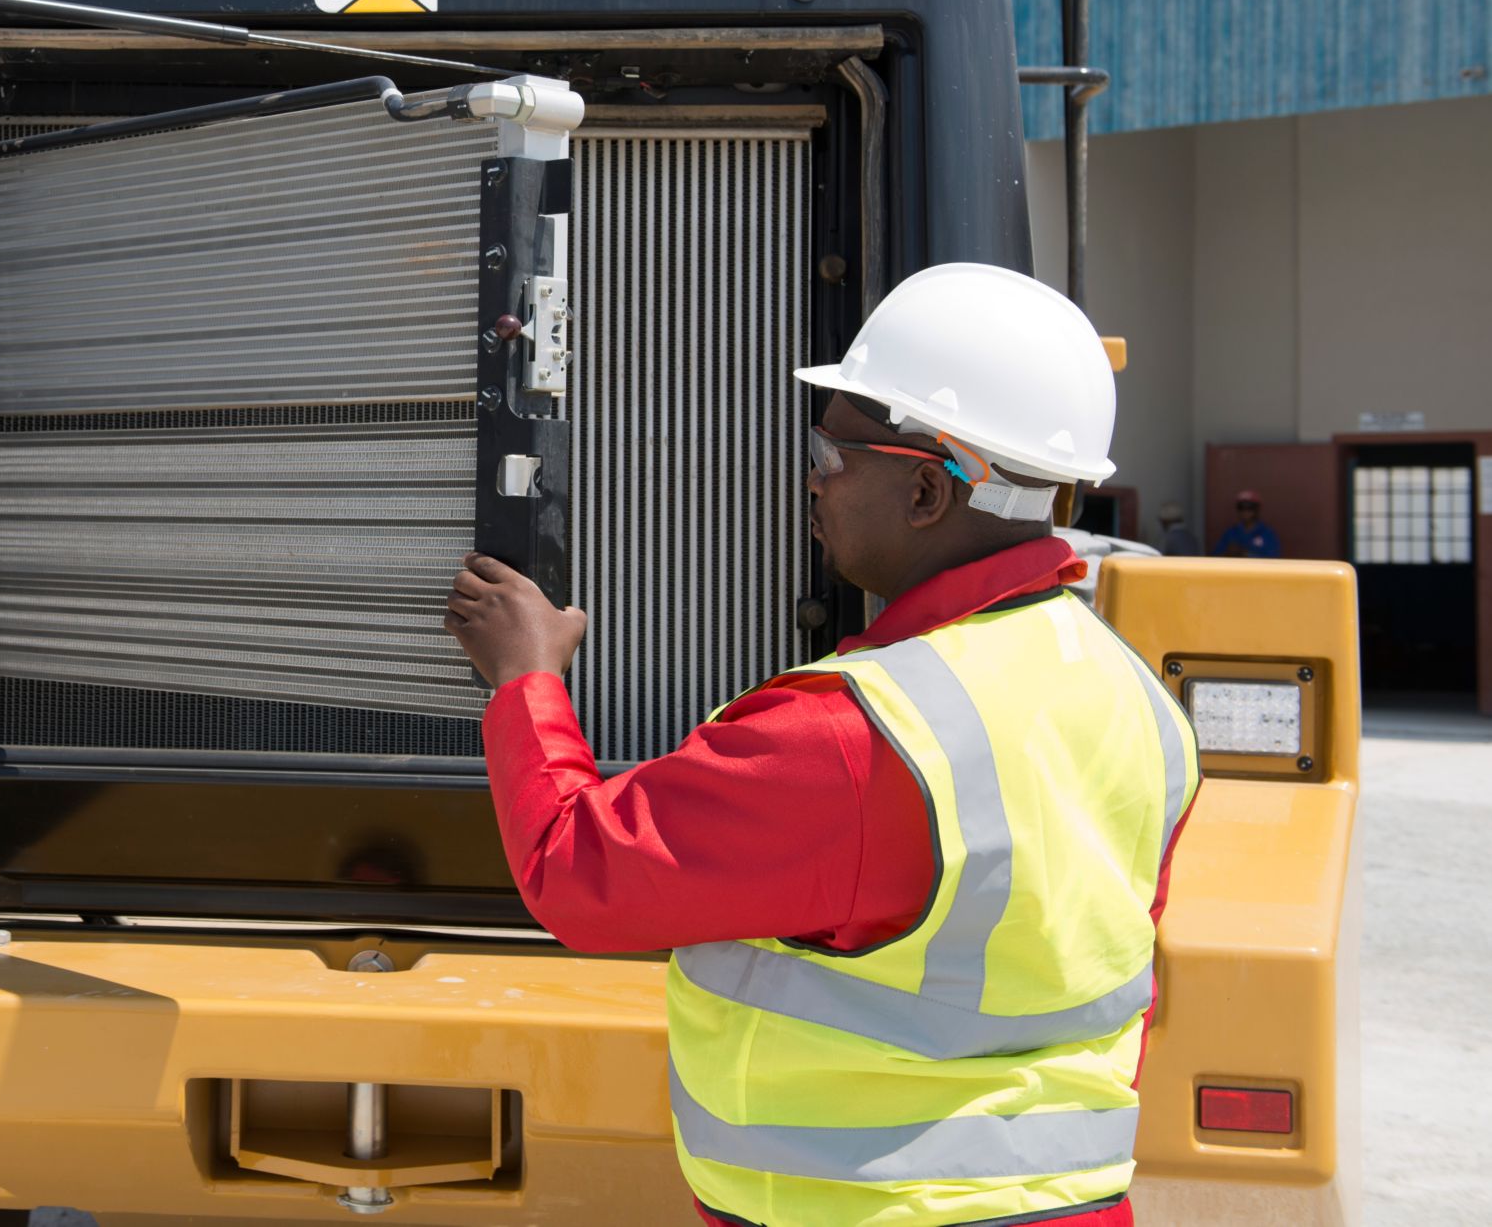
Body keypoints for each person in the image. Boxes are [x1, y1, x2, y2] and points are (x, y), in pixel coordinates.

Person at [443, 262, 1197, 1227]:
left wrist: (525, 678)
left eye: (831, 455)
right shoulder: (1131, 693)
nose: (812, 478)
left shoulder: (854, 735)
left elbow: (579, 871)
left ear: (928, 489)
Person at [1213, 489, 1281, 558]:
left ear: (1257, 509)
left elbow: (1274, 560)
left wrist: (1244, 553)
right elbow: (1215, 558)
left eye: (1250, 507)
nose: (1245, 511)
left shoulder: (1267, 533)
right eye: (1241, 507)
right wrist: (1228, 553)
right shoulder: (1230, 533)